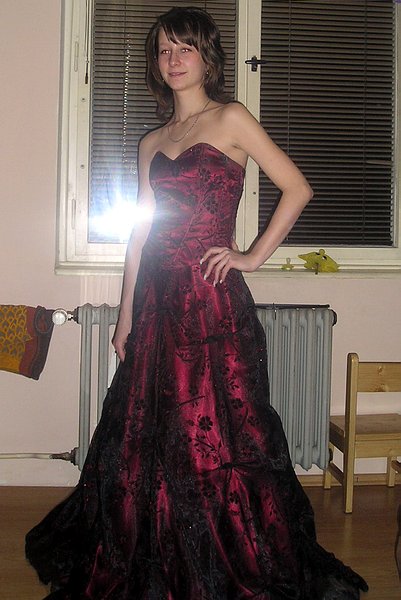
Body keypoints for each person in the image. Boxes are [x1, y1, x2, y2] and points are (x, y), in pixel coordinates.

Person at [26, 7, 368, 599]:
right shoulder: (152, 142)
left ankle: (225, 549)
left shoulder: (231, 118)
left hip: (211, 303)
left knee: (217, 432)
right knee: (148, 433)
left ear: (207, 57)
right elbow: (141, 233)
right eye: (164, 50)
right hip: (156, 302)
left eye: (184, 47)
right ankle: (155, 544)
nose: (173, 59)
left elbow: (297, 187)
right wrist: (126, 315)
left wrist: (251, 256)